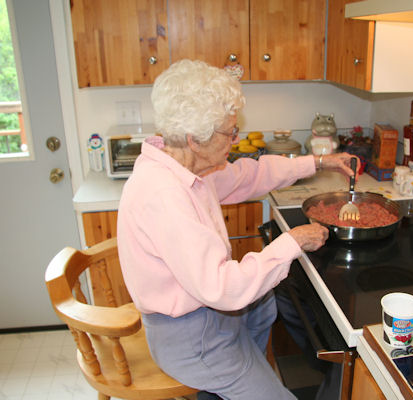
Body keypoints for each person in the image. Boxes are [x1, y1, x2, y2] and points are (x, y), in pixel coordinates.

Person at [117, 59, 357, 400]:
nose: (236, 137)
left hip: (209, 313)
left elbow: (249, 175)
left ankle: (236, 384)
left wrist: (318, 162)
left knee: (263, 303)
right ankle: (240, 380)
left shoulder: (184, 166)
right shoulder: (164, 194)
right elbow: (222, 288)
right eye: (230, 132)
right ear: (195, 139)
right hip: (191, 339)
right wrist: (291, 242)